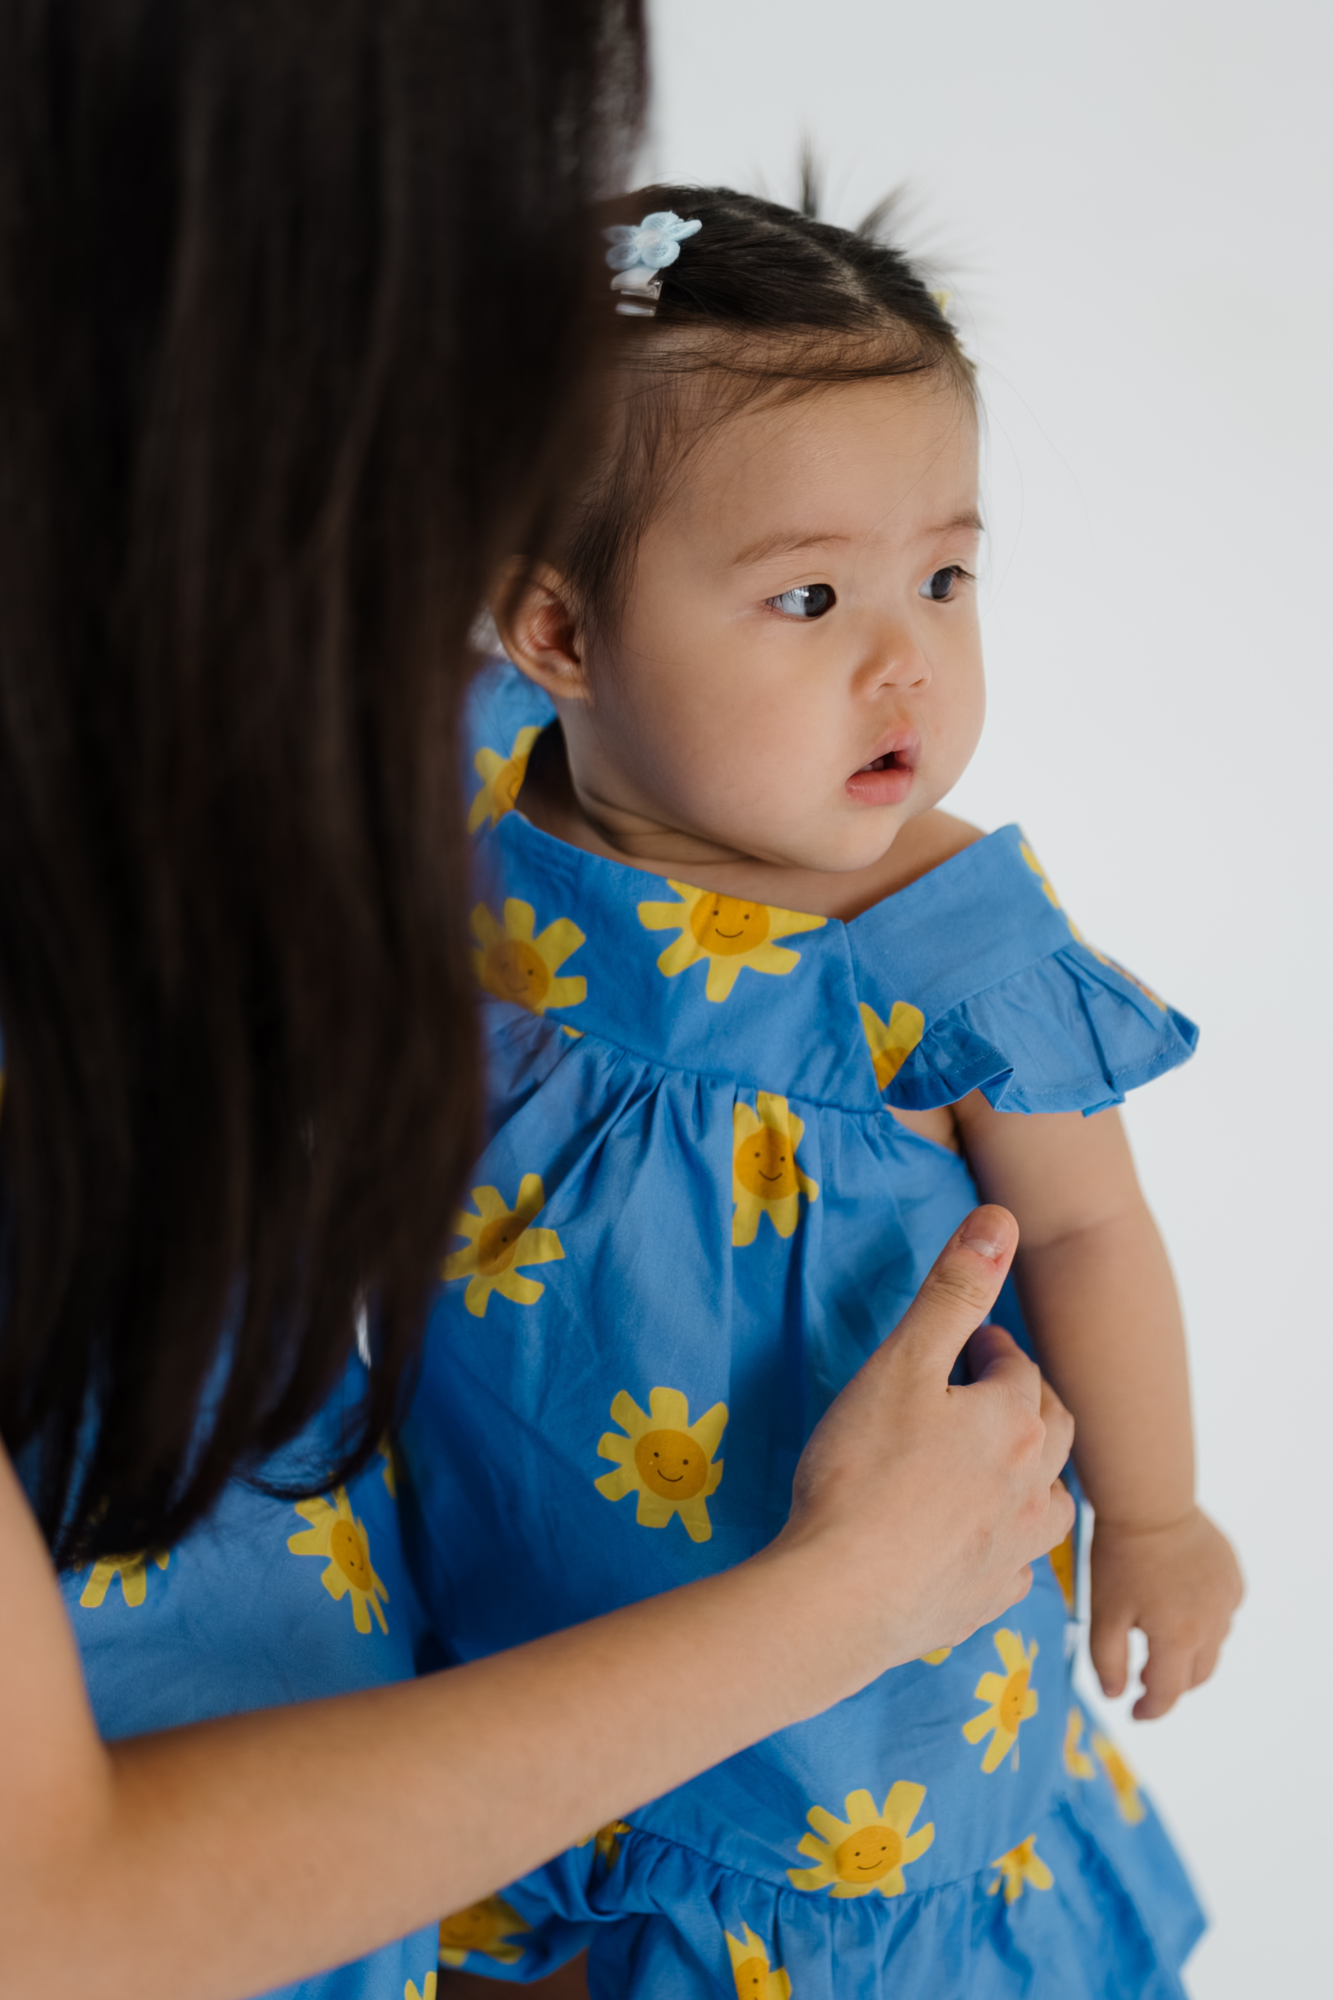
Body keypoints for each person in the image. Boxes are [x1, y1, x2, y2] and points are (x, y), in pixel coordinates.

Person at [0, 18, 1076, 2000]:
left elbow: (1071, 1217)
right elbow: (47, 1913)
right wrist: (834, 1604)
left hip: (527, 1845)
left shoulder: (325, 710)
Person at [402, 186, 1243, 1998]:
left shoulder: (936, 932)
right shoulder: (477, 802)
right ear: (555, 635)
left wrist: (1157, 1520)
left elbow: (1091, 1231)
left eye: (946, 576)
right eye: (810, 595)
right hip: (518, 1611)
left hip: (851, 1731)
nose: (908, 662)